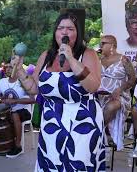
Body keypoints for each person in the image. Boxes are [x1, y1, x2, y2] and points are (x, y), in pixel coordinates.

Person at [11, 13, 105, 171]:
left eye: (70, 28)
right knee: (52, 165)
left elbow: (92, 86)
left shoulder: (88, 54)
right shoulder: (46, 56)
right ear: (55, 32)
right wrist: (20, 70)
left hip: (82, 124)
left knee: (79, 166)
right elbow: (34, 89)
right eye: (60, 28)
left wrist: (71, 59)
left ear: (78, 33)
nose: (65, 32)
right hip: (52, 124)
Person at [97, 35, 136, 151]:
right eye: (101, 43)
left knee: (111, 106)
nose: (101, 45)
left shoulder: (124, 59)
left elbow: (132, 79)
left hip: (119, 96)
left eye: (104, 43)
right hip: (100, 95)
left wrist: (120, 89)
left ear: (112, 45)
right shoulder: (98, 60)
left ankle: (98, 130)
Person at [0, 60, 35, 158]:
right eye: (6, 67)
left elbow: (33, 100)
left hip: (24, 111)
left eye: (10, 67)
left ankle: (18, 146)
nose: (7, 69)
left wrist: (16, 101)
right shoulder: (2, 81)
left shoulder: (23, 82)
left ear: (17, 69)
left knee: (14, 113)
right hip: (7, 111)